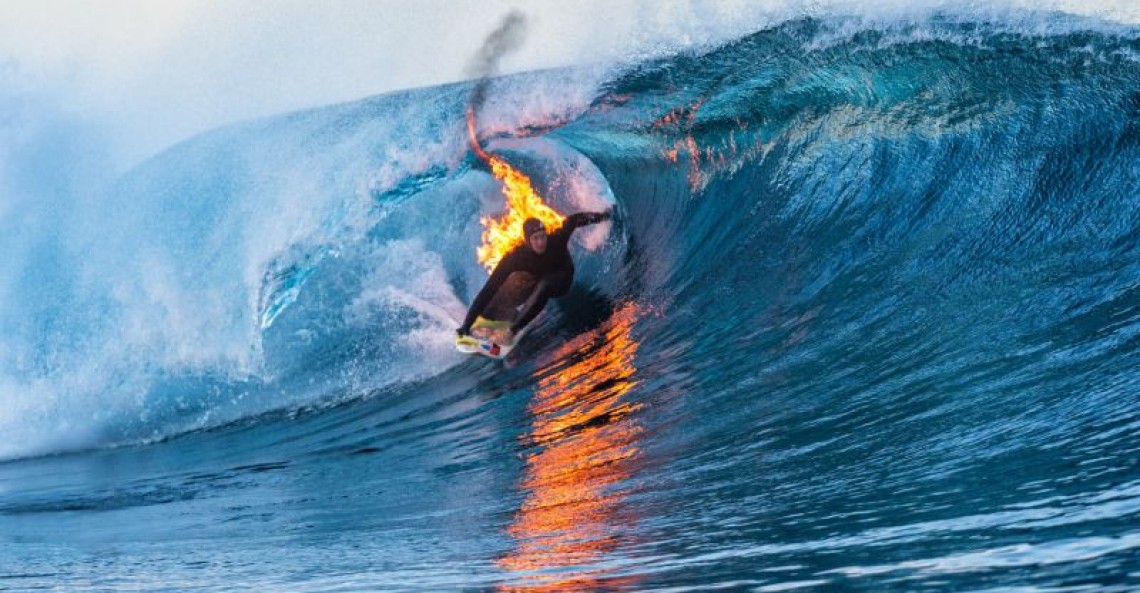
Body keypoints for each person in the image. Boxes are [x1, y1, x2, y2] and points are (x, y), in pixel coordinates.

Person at [458, 210, 612, 344]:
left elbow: (572, 221)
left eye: (542, 237)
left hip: (562, 278)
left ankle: (512, 331)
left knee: (544, 284)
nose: (540, 242)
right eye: (535, 239)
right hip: (537, 278)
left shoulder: (556, 241)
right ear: (527, 240)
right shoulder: (516, 257)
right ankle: (506, 318)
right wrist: (467, 324)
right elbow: (489, 289)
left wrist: (603, 216)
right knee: (504, 292)